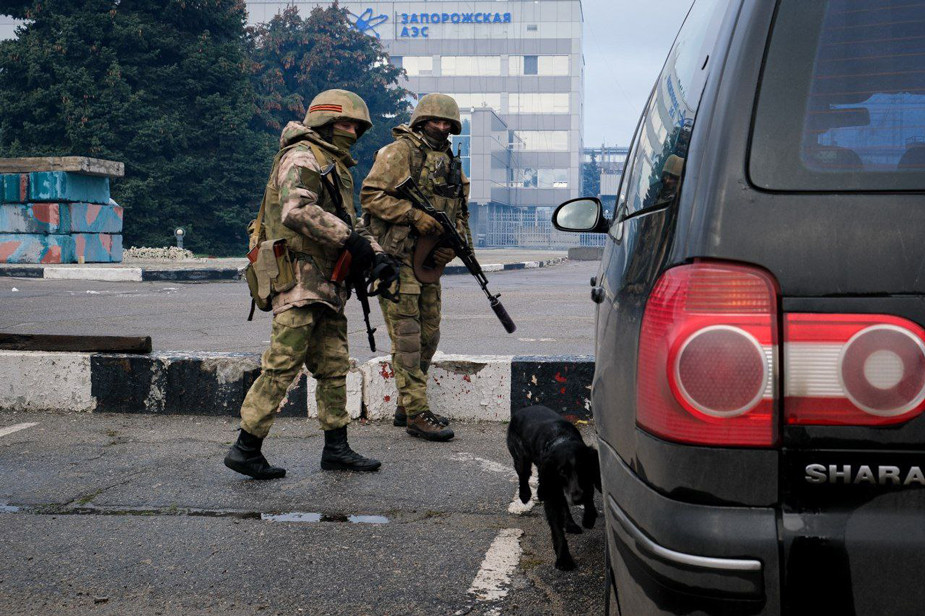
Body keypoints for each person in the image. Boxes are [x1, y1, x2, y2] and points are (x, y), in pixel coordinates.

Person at [225, 89, 394, 479]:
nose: (353, 131)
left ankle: (337, 448)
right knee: (283, 363)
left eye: (357, 126)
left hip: (328, 284)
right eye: (345, 123)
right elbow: (296, 210)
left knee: (334, 366)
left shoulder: (335, 166)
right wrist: (350, 240)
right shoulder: (302, 157)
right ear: (324, 122)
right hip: (299, 279)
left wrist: (377, 255)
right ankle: (245, 447)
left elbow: (352, 224)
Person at [360, 93, 472, 442]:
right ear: (421, 121)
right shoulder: (400, 151)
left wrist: (455, 247)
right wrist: (414, 215)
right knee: (407, 337)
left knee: (429, 333)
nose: (441, 127)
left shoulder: (450, 160)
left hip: (426, 260)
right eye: (435, 121)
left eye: (447, 123)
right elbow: (371, 195)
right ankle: (417, 414)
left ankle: (408, 405)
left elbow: (459, 211)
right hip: (395, 258)